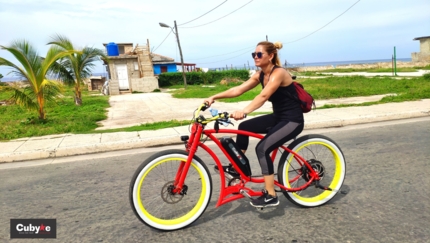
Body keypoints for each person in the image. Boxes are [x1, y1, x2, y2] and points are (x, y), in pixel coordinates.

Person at [203, 41, 304, 208]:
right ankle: (237, 169)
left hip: (292, 121)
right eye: (253, 55)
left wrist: (245, 111)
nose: (255, 57)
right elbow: (238, 89)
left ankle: (271, 195)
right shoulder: (260, 75)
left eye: (259, 54)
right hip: (278, 117)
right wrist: (215, 96)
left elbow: (264, 96)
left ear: (270, 56)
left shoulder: (279, 73)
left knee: (262, 148)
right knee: (243, 128)